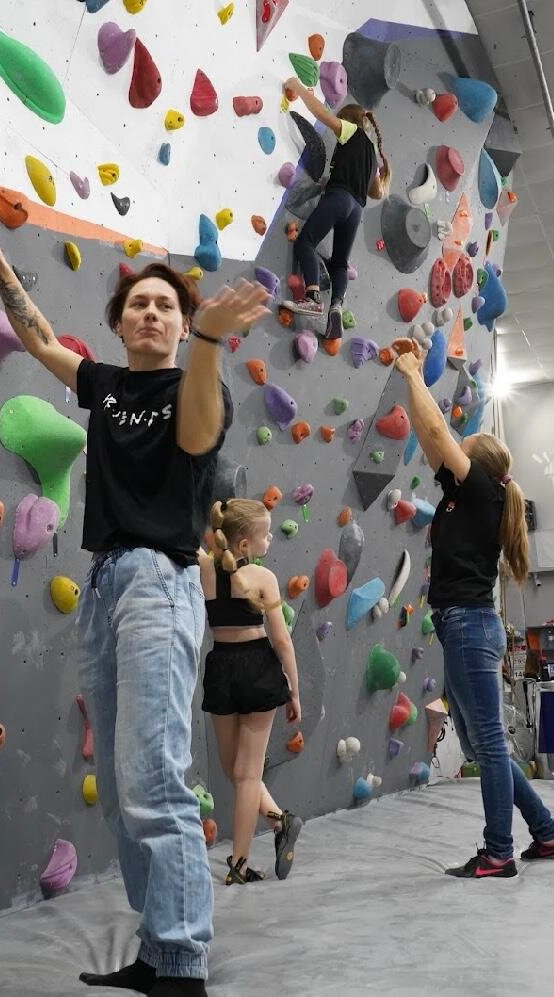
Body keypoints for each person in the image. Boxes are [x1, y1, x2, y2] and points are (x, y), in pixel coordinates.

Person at [0, 233, 269, 996]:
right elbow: (40, 338)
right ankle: (157, 945)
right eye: (139, 303)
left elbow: (197, 435)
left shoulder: (198, 383)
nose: (151, 312)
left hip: (157, 582)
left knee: (154, 778)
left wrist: (210, 342)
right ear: (118, 323)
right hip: (107, 582)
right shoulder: (106, 383)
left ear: (183, 325)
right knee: (120, 790)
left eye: (166, 306)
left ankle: (181, 962)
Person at [395, 346, 554, 879]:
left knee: (487, 744)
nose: (451, 455)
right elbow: (430, 438)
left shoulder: (483, 490)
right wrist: (408, 383)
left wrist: (415, 372)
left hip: (467, 624)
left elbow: (438, 433)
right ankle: (547, 832)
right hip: (462, 625)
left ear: (477, 467)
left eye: (462, 452)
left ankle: (498, 852)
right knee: (481, 745)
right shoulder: (461, 495)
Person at [199, 499, 303, 886]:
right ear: (244, 544)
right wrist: (294, 691)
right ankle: (280, 822)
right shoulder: (262, 577)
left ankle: (241, 862)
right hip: (256, 666)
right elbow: (283, 641)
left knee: (240, 773)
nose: (271, 539)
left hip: (223, 667)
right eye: (266, 534)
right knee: (241, 773)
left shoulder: (203, 568)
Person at [281, 77, 392, 340]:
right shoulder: (372, 155)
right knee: (340, 262)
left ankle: (312, 297)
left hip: (340, 198)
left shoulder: (352, 132)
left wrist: (298, 88)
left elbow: (322, 113)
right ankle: (337, 307)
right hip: (356, 210)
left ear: (349, 121)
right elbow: (376, 192)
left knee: (306, 242)